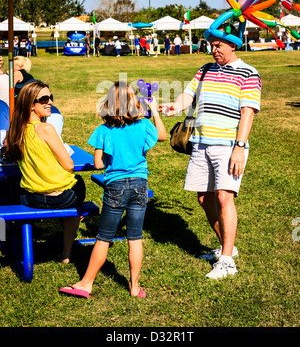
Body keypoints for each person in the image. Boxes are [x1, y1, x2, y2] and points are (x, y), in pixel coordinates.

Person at [160, 24, 261, 280]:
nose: (214, 49)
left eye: (219, 45)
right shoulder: (205, 69)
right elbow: (188, 95)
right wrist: (174, 106)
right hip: (201, 143)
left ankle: (227, 261)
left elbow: (247, 112)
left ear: (233, 45)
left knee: (225, 198)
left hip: (228, 145)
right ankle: (228, 245)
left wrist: (239, 147)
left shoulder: (248, 73)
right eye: (211, 45)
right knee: (204, 199)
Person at [60, 81, 167, 299]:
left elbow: (98, 164)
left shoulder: (104, 131)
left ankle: (86, 283)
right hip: (139, 184)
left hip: (115, 186)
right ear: (135, 103)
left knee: (104, 237)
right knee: (135, 237)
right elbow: (162, 135)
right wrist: (154, 110)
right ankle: (135, 286)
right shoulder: (143, 126)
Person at [3, 80, 86, 263]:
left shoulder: (15, 132)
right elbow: (69, 165)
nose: (50, 102)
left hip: (33, 197)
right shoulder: (46, 129)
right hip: (60, 198)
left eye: (51, 97)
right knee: (78, 182)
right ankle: (66, 252)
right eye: (44, 99)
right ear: (31, 105)